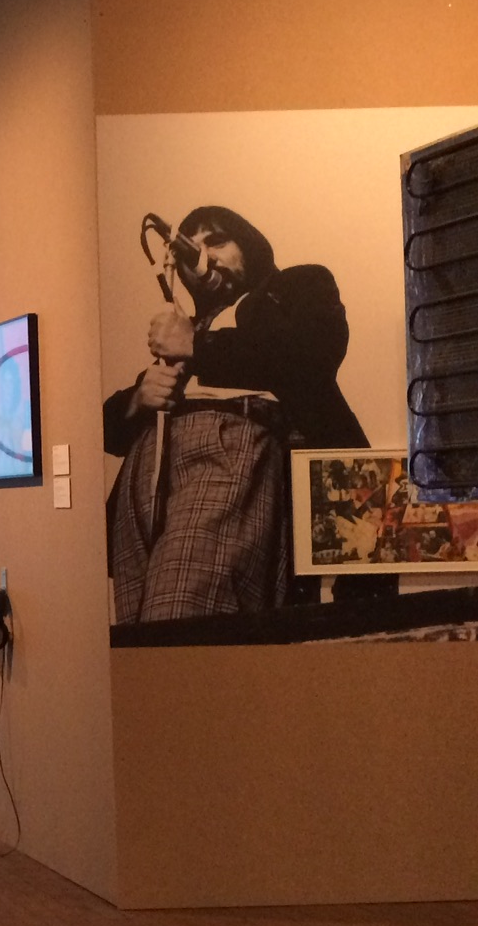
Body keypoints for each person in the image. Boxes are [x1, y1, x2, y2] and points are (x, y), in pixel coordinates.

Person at [104, 205, 366, 624]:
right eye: (192, 249)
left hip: (226, 447)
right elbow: (104, 429)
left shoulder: (296, 285)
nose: (205, 257)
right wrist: (139, 398)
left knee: (178, 616)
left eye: (217, 241)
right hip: (147, 474)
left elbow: (313, 352)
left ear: (248, 245)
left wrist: (197, 347)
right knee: (140, 633)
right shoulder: (190, 328)